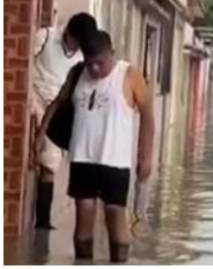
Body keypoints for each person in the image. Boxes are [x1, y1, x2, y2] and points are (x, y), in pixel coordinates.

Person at [39, 30, 155, 263]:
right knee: (84, 217)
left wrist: (146, 156)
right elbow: (58, 102)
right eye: (90, 63)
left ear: (111, 54)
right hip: (82, 159)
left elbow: (148, 115)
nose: (94, 69)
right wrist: (41, 134)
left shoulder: (129, 75)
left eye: (99, 63)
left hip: (115, 162)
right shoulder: (77, 74)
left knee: (115, 217)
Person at [31, 11, 97, 230]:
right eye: (76, 41)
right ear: (68, 33)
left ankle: (42, 220)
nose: (77, 46)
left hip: (56, 108)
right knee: (46, 159)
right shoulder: (45, 37)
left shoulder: (80, 60)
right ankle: (41, 221)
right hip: (33, 99)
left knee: (51, 163)